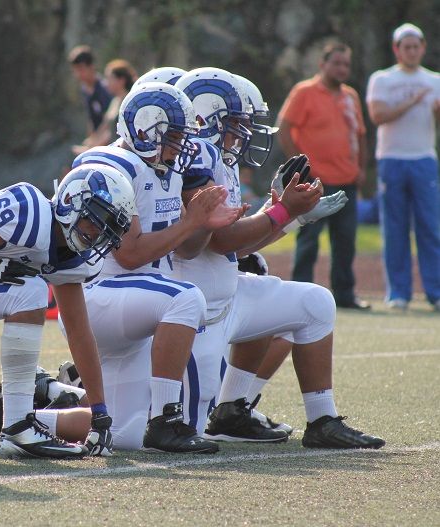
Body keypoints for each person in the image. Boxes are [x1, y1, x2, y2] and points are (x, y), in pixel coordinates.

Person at [172, 67, 384, 449]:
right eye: (238, 123)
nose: (246, 133)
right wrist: (284, 212)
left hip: (222, 296)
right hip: (190, 313)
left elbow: (237, 246)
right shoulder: (193, 162)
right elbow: (221, 242)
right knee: (150, 428)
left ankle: (303, 417)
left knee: (313, 302)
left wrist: (291, 216)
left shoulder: (221, 162)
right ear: (207, 118)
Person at [0, 164, 136, 458]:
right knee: (30, 289)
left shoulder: (75, 259)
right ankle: (18, 425)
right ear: (72, 201)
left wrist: (99, 414)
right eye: (97, 220)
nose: (97, 233)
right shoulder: (29, 216)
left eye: (108, 228)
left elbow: (78, 331)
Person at [71, 81, 243, 453]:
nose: (183, 146)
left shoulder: (166, 169)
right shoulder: (112, 166)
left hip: (135, 302)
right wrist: (189, 222)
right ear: (147, 129)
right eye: (177, 135)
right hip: (100, 293)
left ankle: (13, 411)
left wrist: (203, 223)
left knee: (124, 436)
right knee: (185, 298)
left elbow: (188, 251)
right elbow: (129, 255)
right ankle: (166, 419)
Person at [277, 43, 370, 310]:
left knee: (346, 242)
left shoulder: (350, 96)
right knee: (308, 240)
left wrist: (361, 168)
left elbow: (360, 135)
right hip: (314, 181)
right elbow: (284, 129)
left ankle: (345, 294)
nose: (342, 69)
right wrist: (300, 168)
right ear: (323, 64)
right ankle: (299, 294)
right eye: (337, 63)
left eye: (346, 64)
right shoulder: (304, 92)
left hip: (346, 181)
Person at [367, 23, 440, 312]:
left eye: (416, 46)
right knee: (395, 228)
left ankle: (435, 292)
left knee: (430, 227)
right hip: (391, 158)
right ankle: (398, 292)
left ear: (422, 48)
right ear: (397, 50)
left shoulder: (435, 80)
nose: (411, 51)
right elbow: (378, 114)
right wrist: (411, 102)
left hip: (423, 159)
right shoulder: (382, 79)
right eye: (405, 47)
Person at [73, 59, 137, 154]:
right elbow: (103, 126)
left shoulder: (129, 103)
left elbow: (111, 133)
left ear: (121, 80)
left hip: (126, 152)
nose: (106, 83)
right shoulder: (115, 101)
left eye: (109, 79)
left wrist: (90, 150)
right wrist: (90, 142)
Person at [68, 46, 112, 146]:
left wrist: (95, 144)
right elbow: (91, 118)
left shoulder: (104, 88)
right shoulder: (84, 89)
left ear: (91, 66)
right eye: (76, 70)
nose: (78, 74)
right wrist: (91, 139)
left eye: (81, 69)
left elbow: (110, 121)